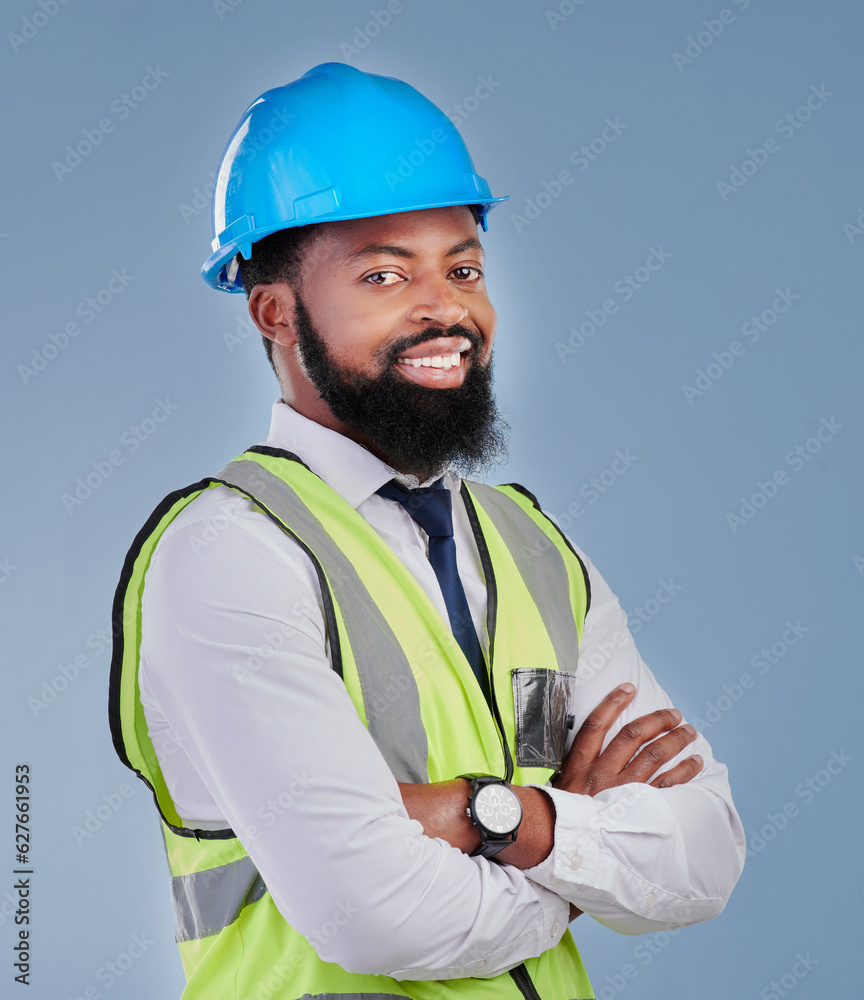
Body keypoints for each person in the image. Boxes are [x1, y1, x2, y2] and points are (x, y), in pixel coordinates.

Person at [109, 62, 745, 1000]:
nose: (444, 306)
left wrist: (495, 819)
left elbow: (704, 858)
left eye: (463, 268)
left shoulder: (534, 548)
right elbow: (376, 915)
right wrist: (576, 845)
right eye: (382, 273)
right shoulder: (227, 555)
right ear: (275, 312)